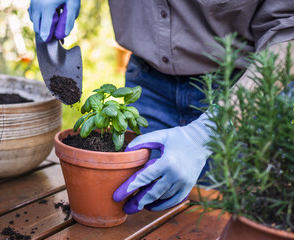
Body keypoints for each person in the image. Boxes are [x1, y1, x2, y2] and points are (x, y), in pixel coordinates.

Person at [29, 0, 294, 214]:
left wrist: (204, 134)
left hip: (241, 92)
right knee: (145, 217)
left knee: (224, 218)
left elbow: (288, 35)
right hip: (147, 79)